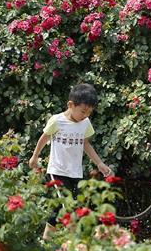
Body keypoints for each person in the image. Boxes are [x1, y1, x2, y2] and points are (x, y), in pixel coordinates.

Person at [29, 83, 112, 234]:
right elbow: (44, 138)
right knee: (67, 207)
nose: (85, 116)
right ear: (70, 105)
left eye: (89, 113)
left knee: (61, 208)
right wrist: (35, 156)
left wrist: (99, 163)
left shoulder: (85, 123)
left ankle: (47, 241)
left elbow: (85, 143)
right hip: (57, 171)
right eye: (83, 111)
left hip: (75, 173)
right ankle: (76, 245)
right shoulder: (57, 120)